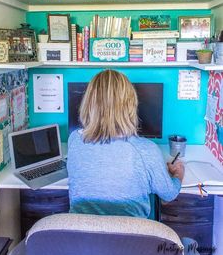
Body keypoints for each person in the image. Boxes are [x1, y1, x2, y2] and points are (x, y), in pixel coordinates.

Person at [67, 70, 184, 218]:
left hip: (81, 236)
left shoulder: (74, 140)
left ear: (89, 103)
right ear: (130, 104)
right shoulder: (146, 150)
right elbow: (168, 195)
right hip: (131, 239)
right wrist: (178, 174)